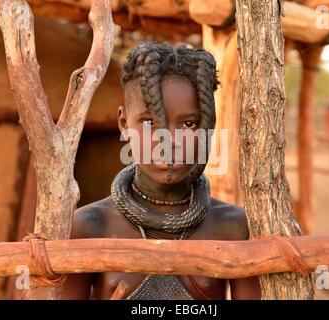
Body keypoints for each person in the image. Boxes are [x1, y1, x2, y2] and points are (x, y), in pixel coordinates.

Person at [61, 43, 261, 300]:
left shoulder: (233, 227)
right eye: (149, 123)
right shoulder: (89, 226)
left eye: (189, 124)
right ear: (124, 123)